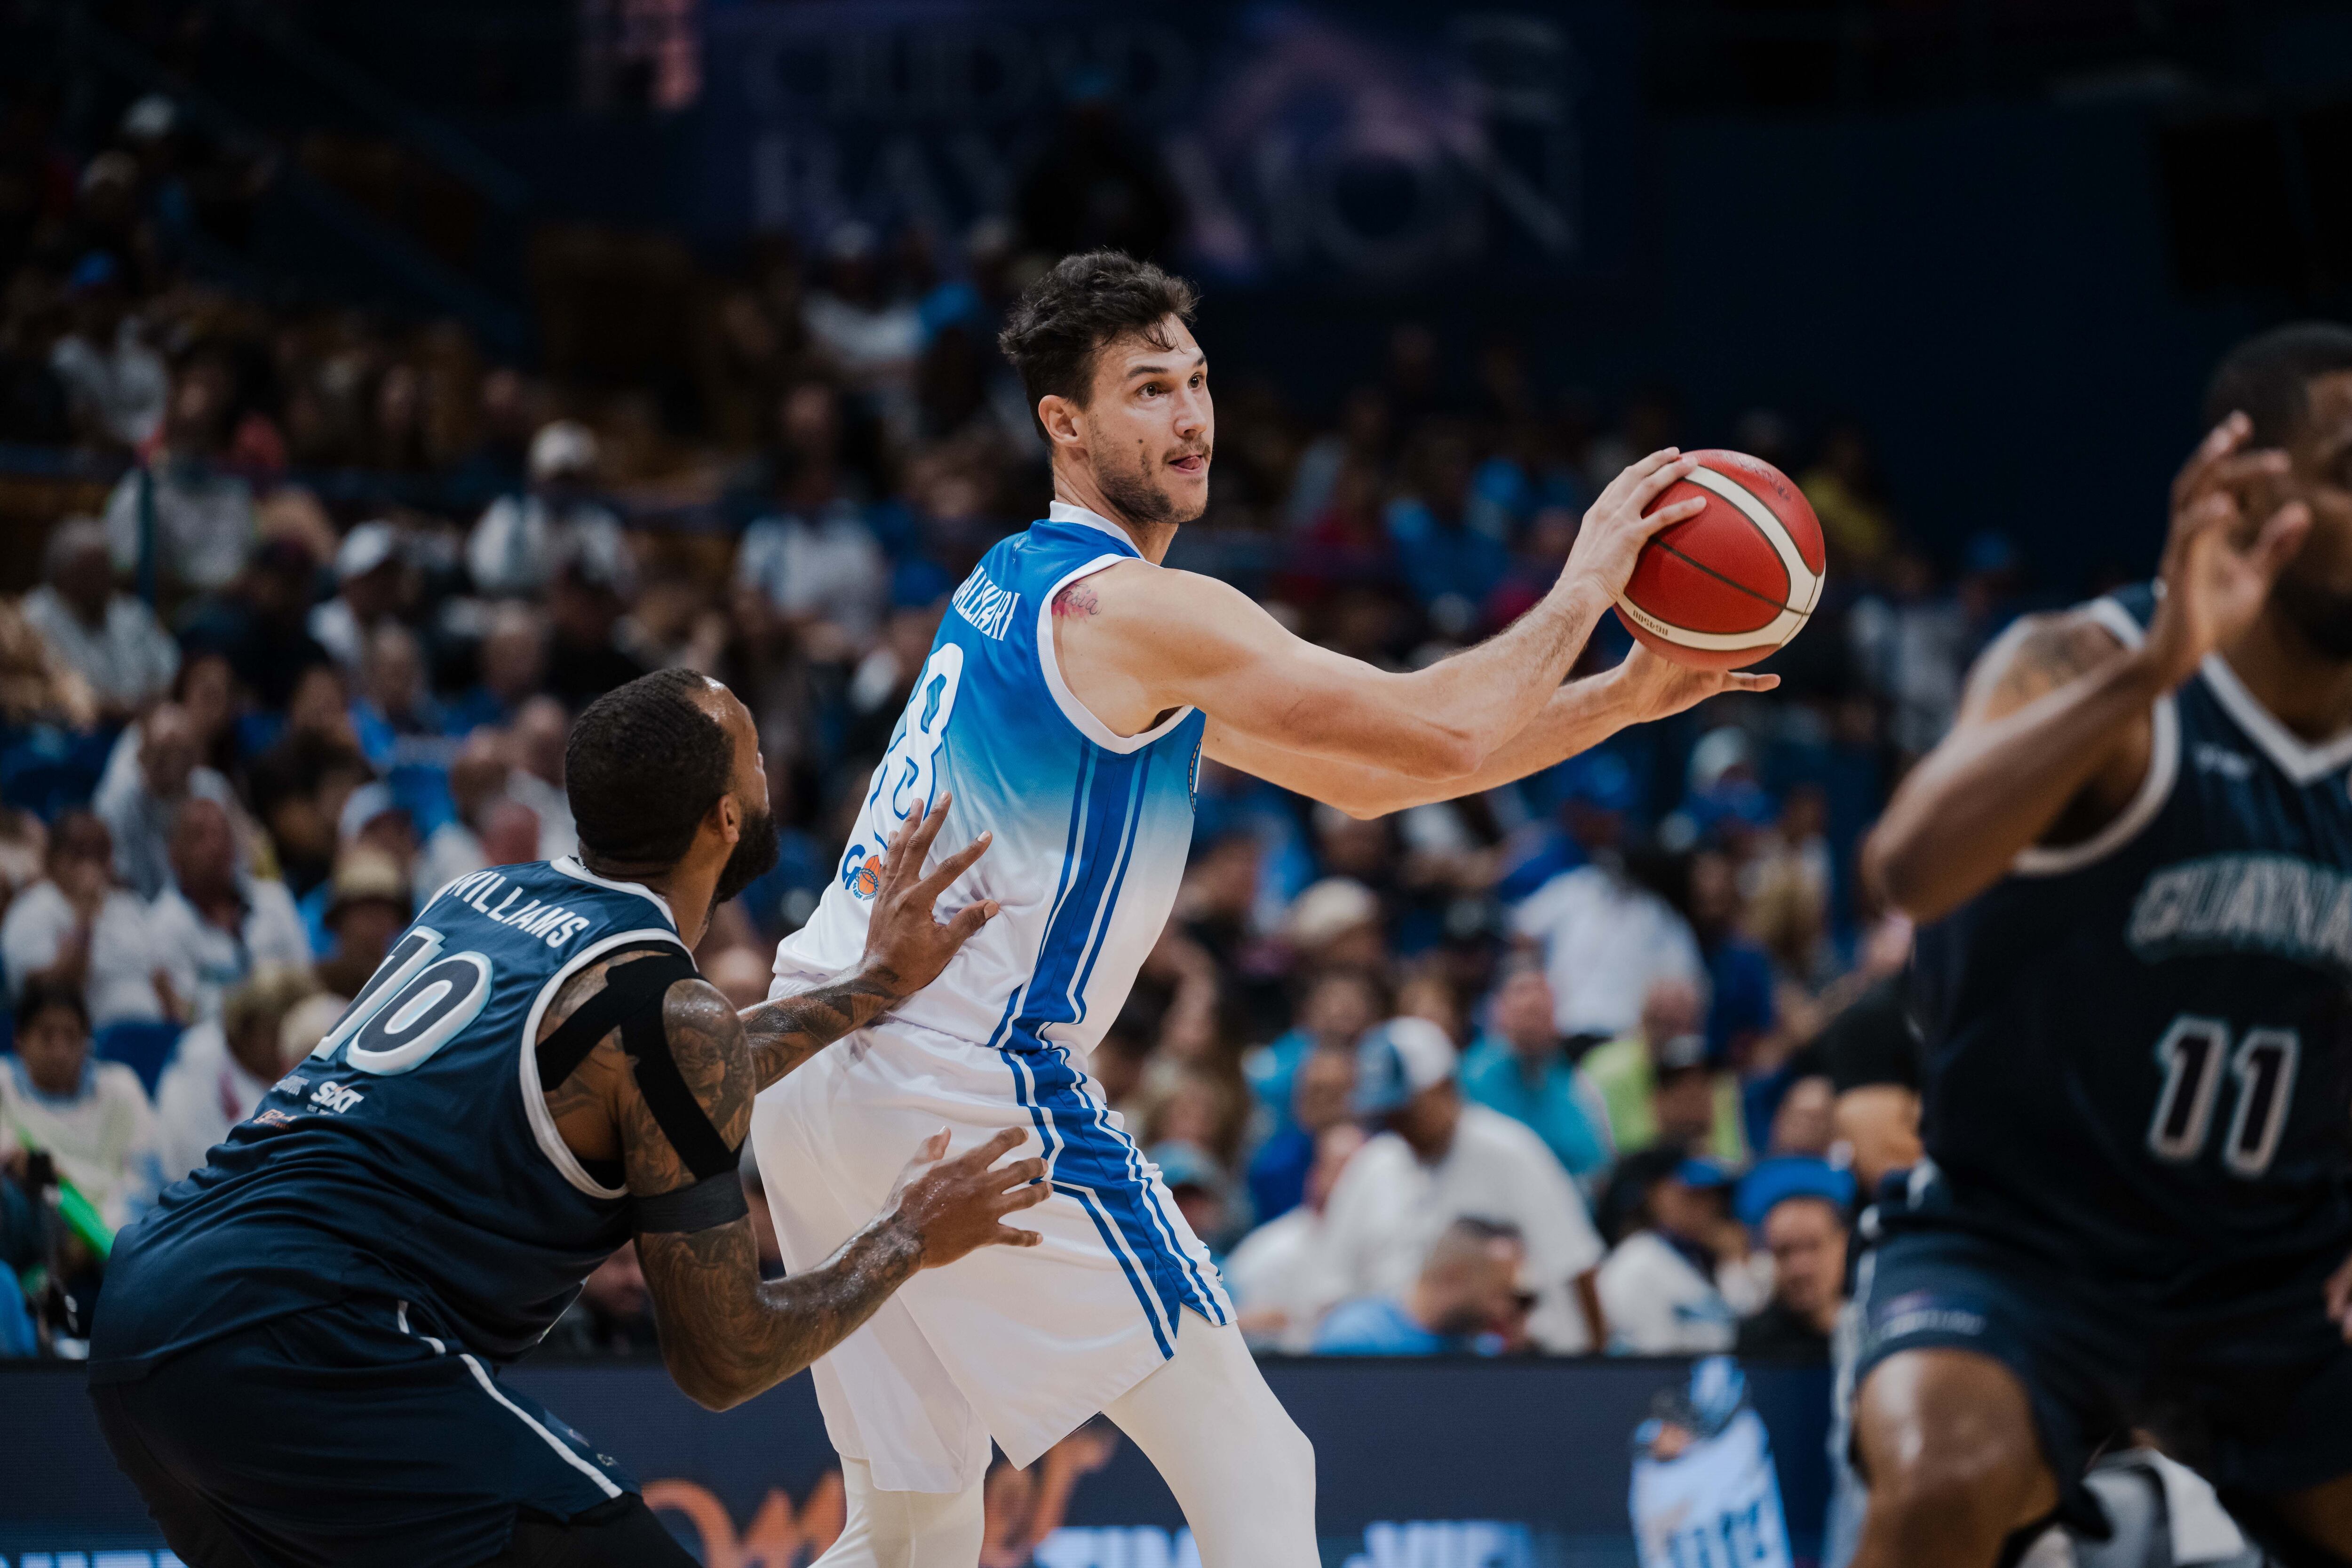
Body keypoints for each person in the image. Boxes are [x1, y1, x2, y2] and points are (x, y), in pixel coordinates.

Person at [752, 250, 1768, 1567]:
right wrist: (1581, 589)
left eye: (1195, 382)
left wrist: (1622, 698)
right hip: (961, 1072)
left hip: (820, 1065)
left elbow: (1376, 777)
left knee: (913, 1528)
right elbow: (1443, 727)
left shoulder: (1025, 581)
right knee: (1258, 1469)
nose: (1189, 418)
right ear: (1064, 424)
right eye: (1147, 390)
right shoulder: (1131, 607)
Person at [87, 669, 1044, 1568]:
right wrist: (910, 1233)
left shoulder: (477, 899)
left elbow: (668, 1077)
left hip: (148, 1305)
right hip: (306, 1334)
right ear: (725, 817)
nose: (768, 770)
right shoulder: (659, 1008)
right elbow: (724, 1356)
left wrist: (872, 985)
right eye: (754, 755)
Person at [1847, 326, 2352, 1566]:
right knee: (1941, 1480)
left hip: (2273, 1279)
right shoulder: (2087, 664)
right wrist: (2151, 676)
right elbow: (1910, 865)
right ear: (2245, 495)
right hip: (2024, 1250)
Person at [1309, 1017, 1608, 1355]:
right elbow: (1329, 1288)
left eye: (1406, 1110)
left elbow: (1576, 1264)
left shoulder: (1510, 1151)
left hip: (1501, 1362)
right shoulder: (1374, 1163)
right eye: (1388, 1114)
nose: (1398, 1124)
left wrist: (1594, 1361)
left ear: (1444, 1087)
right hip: (1384, 1363)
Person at [0, 976, 165, 1231]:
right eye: (46, 1037)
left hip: (115, 1232)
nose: (60, 1052)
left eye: (71, 1037)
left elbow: (145, 1178)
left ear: (87, 1041)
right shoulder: (4, 1083)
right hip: (32, 1226)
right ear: (19, 1040)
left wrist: (105, 1233)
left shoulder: (122, 1087)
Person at [0, 809, 175, 1028]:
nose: (91, 865)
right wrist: (84, 919)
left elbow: (161, 980)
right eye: (80, 854)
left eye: (101, 853)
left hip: (152, 1031)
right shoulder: (31, 910)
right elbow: (50, 995)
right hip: (85, 1038)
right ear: (52, 858)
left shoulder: (130, 906)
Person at [147, 796, 309, 1024]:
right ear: (174, 854)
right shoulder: (163, 924)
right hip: (212, 1034)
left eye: (221, 834)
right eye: (199, 837)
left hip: (290, 1023)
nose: (215, 845)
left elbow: (305, 975)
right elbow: (185, 1010)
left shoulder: (274, 899)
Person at [151, 964, 317, 1185]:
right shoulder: (199, 1055)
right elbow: (189, 1158)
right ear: (252, 1027)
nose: (289, 1047)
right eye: (281, 1033)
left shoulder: (287, 1069)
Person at [1458, 959, 1616, 1190]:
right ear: (1501, 1012)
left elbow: (1596, 1162)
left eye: (1541, 1013)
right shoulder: (1471, 1079)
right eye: (1526, 1011)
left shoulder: (1571, 1083)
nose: (1533, 1024)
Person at [1595, 1153, 1768, 1355]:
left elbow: (1749, 1334)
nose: (1708, 1206)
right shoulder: (1636, 1263)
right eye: (1693, 1195)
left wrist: (1734, 1263)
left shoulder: (1714, 1258)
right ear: (1658, 1196)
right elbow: (1651, 1355)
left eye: (1716, 1195)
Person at [21, 517, 178, 717]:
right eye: (91, 574)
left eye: (106, 571)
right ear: (63, 575)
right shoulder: (33, 618)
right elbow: (53, 694)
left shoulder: (130, 613)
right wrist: (120, 711)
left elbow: (171, 672)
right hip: (70, 731)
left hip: (145, 723)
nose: (103, 583)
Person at [1311, 1216, 1530, 1356]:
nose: (1505, 1309)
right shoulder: (1356, 1341)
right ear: (1454, 1276)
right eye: (1497, 1294)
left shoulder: (1484, 1350)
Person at [1732, 1158, 1853, 1365]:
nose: (1800, 1268)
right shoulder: (1755, 1346)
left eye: (1813, 1247)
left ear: (1843, 1244)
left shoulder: (1876, 1326)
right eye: (1784, 1252)